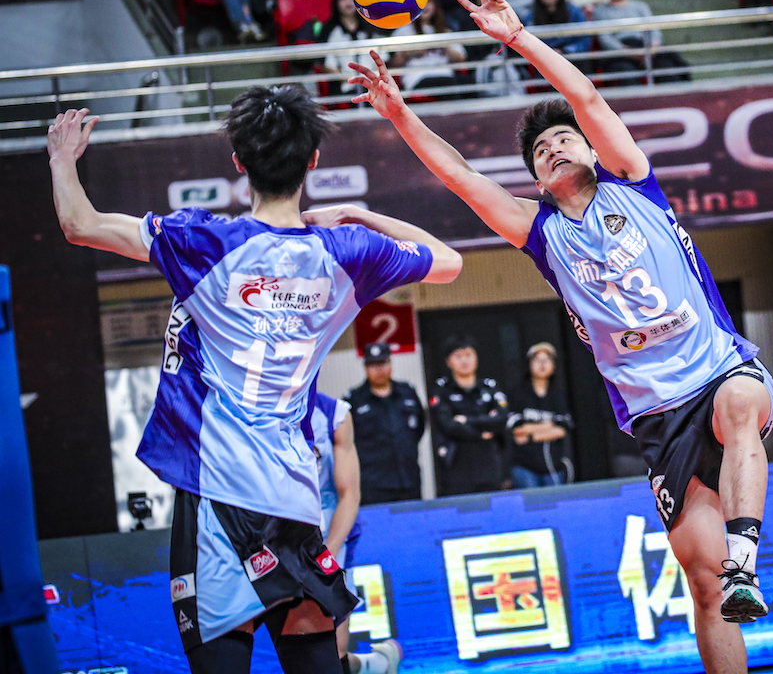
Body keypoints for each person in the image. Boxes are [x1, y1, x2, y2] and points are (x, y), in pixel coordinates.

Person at [346, 0, 773, 669]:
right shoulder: (541, 233)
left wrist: (519, 37)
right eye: (540, 150)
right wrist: (399, 114)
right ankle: (727, 578)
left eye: (563, 138)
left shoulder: (633, 180)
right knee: (702, 587)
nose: (553, 146)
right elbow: (460, 176)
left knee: (739, 407)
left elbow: (587, 98)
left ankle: (746, 560)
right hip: (656, 412)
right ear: (537, 181)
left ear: (591, 149)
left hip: (718, 367)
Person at [45, 88, 462, 673]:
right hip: (295, 503)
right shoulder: (348, 251)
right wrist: (358, 214)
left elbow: (78, 224)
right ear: (313, 160)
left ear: (239, 162)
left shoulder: (202, 242)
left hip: (219, 500)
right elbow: (449, 262)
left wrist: (62, 159)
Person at [303, 392, 402, 674]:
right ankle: (376, 664)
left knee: (333, 650)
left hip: (328, 535)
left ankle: (380, 663)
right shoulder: (253, 410)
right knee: (306, 651)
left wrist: (326, 556)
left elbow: (349, 494)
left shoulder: (333, 413)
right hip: (278, 539)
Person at [344, 343, 426, 505]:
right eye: (373, 365)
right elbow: (347, 441)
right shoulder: (354, 400)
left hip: (408, 480)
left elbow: (419, 429)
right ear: (365, 367)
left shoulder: (407, 393)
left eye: (383, 363)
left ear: (390, 363)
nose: (379, 369)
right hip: (373, 484)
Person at [429, 337, 511, 496]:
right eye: (458, 356)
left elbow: (501, 419)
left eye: (468, 355)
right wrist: (482, 431)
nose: (464, 360)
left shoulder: (489, 387)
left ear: (476, 358)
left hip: (490, 465)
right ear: (448, 361)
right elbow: (448, 425)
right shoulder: (442, 390)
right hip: (457, 467)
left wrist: (466, 420)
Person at [592, 0, 691, 84]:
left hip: (645, 47)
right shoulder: (599, 11)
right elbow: (606, 39)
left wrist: (652, 49)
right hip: (620, 53)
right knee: (626, 72)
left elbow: (653, 30)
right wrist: (631, 53)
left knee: (667, 65)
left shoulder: (640, 6)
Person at [506, 342, 576, 488]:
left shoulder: (558, 394)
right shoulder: (517, 392)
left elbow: (563, 429)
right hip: (524, 466)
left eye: (547, 360)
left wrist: (530, 436)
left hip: (553, 466)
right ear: (529, 363)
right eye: (537, 360)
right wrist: (549, 426)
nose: (542, 365)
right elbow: (516, 429)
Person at [320, 0, 388, 99]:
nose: (348, 2)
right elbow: (328, 65)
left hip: (374, 86)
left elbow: (382, 58)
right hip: (346, 88)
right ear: (336, 2)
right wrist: (347, 78)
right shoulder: (330, 31)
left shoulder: (371, 26)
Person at [390, 0, 468, 94]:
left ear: (435, 6)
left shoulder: (446, 31)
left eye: (429, 2)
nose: (425, 6)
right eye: (422, 2)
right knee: (448, 86)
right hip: (418, 76)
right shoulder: (403, 31)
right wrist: (411, 52)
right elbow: (392, 64)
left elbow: (461, 59)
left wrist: (444, 47)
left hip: (444, 74)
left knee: (465, 83)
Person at [521, 0, 592, 60]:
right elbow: (526, 44)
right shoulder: (529, 16)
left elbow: (584, 40)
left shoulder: (574, 12)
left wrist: (565, 51)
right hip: (541, 59)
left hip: (571, 58)